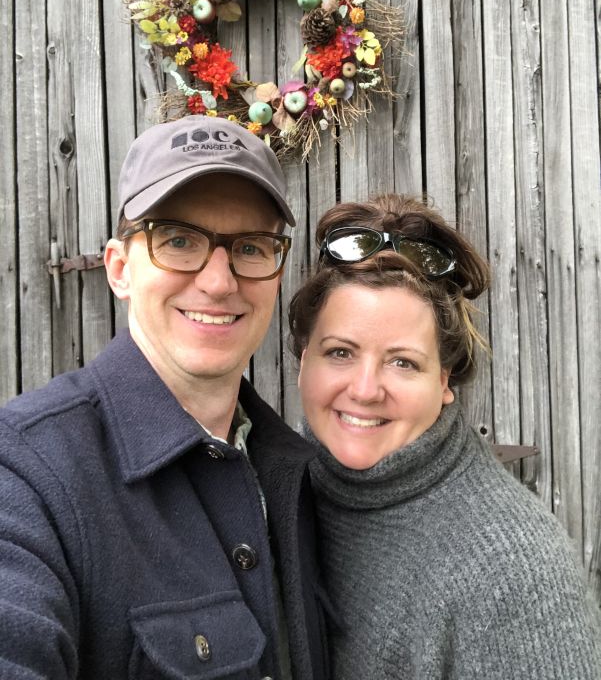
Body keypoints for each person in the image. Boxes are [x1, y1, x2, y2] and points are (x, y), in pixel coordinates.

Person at [0, 116, 329, 679]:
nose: (219, 282)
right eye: (178, 240)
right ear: (120, 269)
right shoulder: (27, 472)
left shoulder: (300, 475)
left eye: (251, 246)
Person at [288, 193, 601, 679]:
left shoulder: (512, 569)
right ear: (305, 359)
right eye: (341, 352)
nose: (365, 390)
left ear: (444, 379)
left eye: (402, 362)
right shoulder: (277, 486)